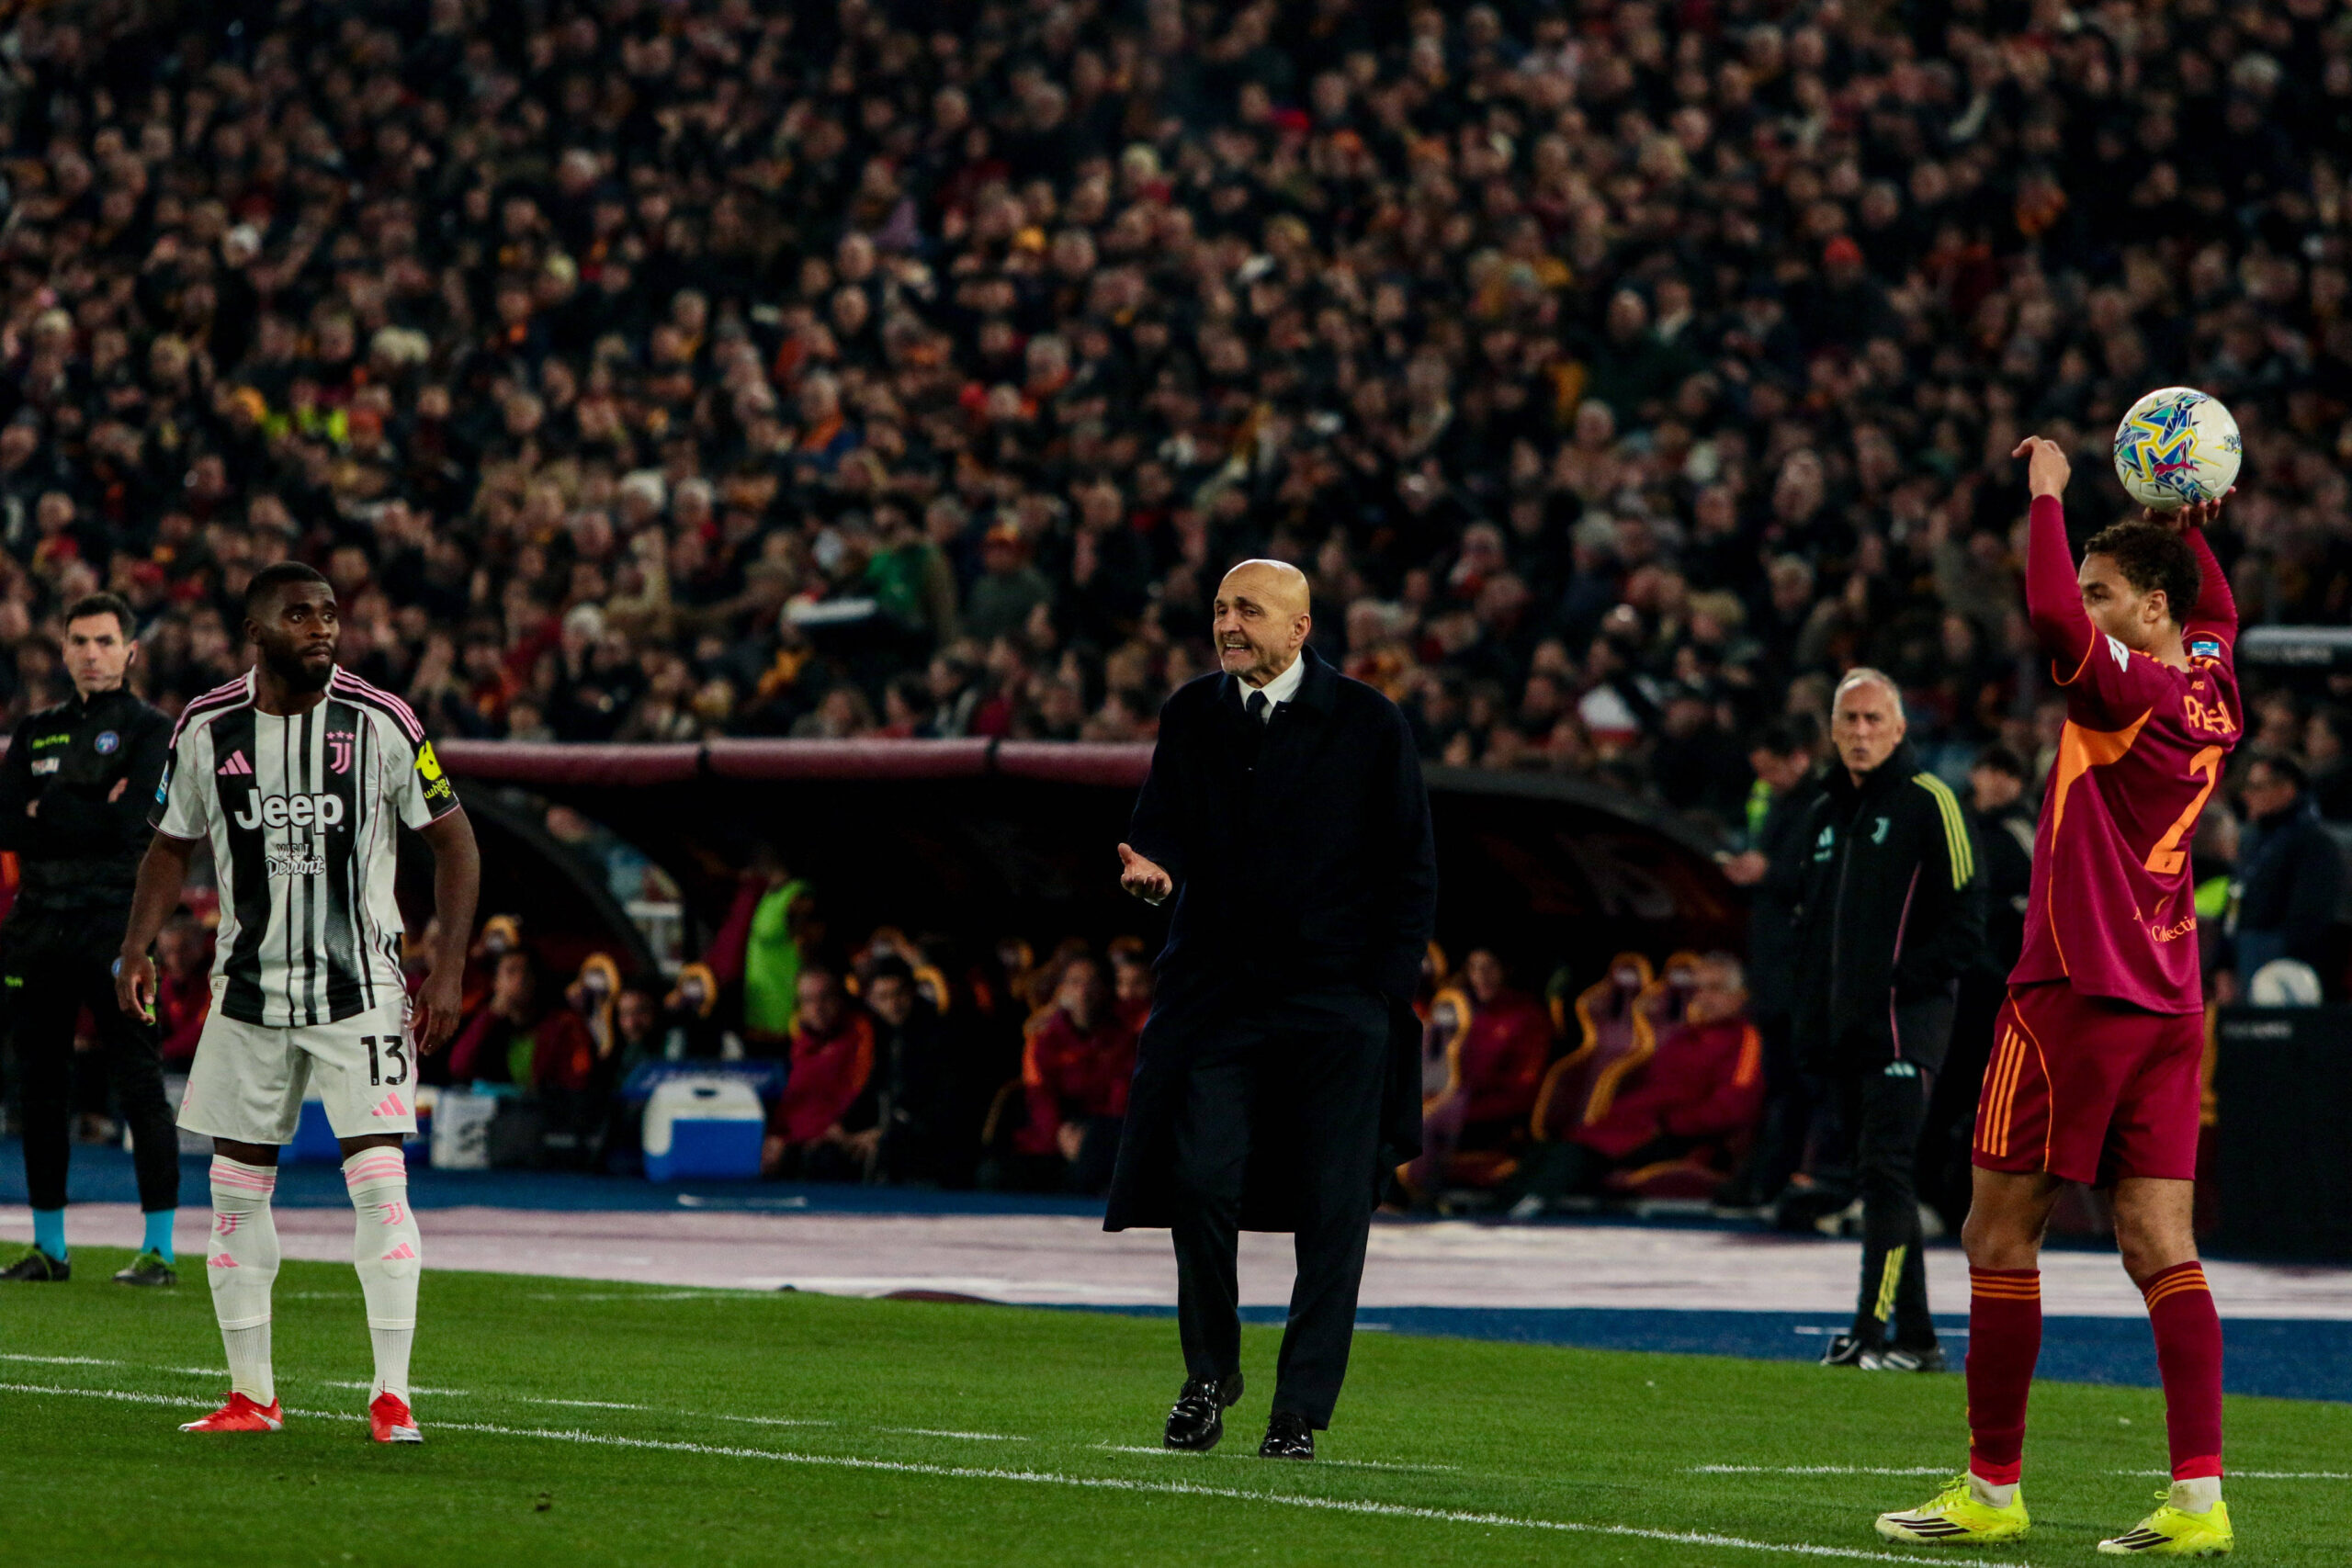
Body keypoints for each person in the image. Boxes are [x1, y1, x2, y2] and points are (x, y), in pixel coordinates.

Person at [1875, 440, 2242, 1554]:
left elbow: (2041, 615)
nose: (2083, 608)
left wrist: (2045, 495)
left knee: (1997, 1234)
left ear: (2148, 611)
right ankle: (2198, 1503)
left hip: (2073, 995)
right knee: (2159, 1241)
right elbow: (2214, 607)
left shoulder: (2127, 687)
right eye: (2085, 588)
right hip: (2170, 1002)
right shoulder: (2213, 685)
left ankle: (1992, 1490)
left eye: (2104, 595)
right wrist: (2187, 519)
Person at [115, 560, 481, 1446]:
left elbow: (455, 844)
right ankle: (253, 1395)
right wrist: (136, 943)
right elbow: (171, 845)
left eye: (329, 613)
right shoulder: (206, 726)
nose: (322, 627)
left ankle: (392, 1394)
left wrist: (447, 967)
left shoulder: (383, 720)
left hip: (360, 989)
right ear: (256, 630)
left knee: (379, 1182)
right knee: (235, 1191)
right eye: (300, 614)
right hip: (245, 994)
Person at [1107, 558, 1438, 1461]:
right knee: (1199, 1185)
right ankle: (1208, 1375)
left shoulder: (1369, 723)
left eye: (1246, 610)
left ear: (1299, 629)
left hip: (1336, 1006)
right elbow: (1160, 821)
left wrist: (1380, 994)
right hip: (1218, 997)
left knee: (1335, 1210)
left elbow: (1411, 869)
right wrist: (1152, 869)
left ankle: (1299, 1409)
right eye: (1218, 609)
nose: (1227, 624)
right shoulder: (1191, 713)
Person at [1794, 668, 1984, 1374]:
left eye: (1875, 719)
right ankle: (1918, 1338)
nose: (1861, 732)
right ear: (1833, 730)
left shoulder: (1930, 802)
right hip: (1845, 1033)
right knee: (1879, 1178)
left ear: (1901, 729)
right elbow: (1810, 933)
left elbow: (1969, 920)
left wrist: (1899, 985)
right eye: (1850, 720)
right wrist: (1815, 1024)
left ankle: (1871, 1332)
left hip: (1906, 1028)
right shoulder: (1824, 814)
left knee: (1886, 1172)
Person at [0, 592, 178, 1285]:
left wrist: (55, 809)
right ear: (64, 649)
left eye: (105, 640)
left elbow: (130, 823)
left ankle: (159, 1250)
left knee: (138, 1082)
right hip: (39, 927)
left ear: (130, 651)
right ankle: (50, 1246)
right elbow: (9, 826)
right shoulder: (35, 729)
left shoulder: (152, 729)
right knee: (39, 1086)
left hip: (118, 926)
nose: (92, 653)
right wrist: (85, 806)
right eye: (80, 640)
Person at [1921, 745, 2039, 1232]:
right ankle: (1928, 1198)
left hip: (2000, 990)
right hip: (1957, 984)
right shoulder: (1959, 828)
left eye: (2004, 772)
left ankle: (1976, 1206)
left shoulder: (2023, 835)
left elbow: (2040, 909)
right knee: (1946, 1092)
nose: (1993, 781)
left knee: (1991, 1099)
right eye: (1987, 769)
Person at [1717, 715, 1823, 1209]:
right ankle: (1768, 1179)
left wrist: (1771, 872)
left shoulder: (1821, 806)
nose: (1765, 781)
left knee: (1801, 1081)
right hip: (1773, 960)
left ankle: (1791, 1180)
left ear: (1797, 759)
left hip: (1800, 967)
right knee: (1779, 1080)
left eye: (1771, 770)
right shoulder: (1779, 802)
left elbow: (1818, 880)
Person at [1401, 948, 1551, 1201]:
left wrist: (1458, 1106)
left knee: (1424, 1124)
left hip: (1492, 1111)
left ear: (1506, 971)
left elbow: (1523, 1088)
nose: (1482, 975)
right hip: (1447, 1100)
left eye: (1490, 967)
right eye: (1475, 967)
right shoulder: (1456, 1007)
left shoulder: (1526, 1015)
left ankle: (1417, 1197)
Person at [1006, 953, 1136, 1194]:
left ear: (1106, 989)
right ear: (1062, 989)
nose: (1083, 991)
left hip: (1107, 1135)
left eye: (1092, 982)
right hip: (1057, 1136)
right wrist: (1059, 1134)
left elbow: (1122, 1098)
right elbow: (1040, 1096)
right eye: (1074, 982)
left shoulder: (1126, 1039)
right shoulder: (1044, 1040)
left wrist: (1089, 1139)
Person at [2226, 753, 2345, 989]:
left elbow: (2308, 919)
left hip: (2284, 972)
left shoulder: (2315, 844)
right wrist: (2224, 964)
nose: (2246, 795)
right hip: (2242, 959)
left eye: (2256, 787)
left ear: (2287, 790)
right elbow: (2235, 902)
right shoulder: (2254, 842)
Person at [761, 966, 876, 1179]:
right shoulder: (799, 1043)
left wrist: (839, 1130)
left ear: (840, 998)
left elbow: (861, 1090)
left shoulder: (860, 1033)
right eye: (808, 1000)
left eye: (824, 997)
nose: (817, 1008)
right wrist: (772, 1138)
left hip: (828, 1145)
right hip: (787, 1145)